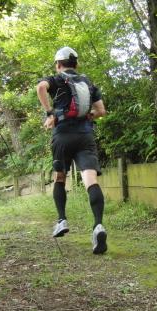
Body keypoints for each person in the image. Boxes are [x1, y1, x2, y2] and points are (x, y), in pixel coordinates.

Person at [36, 46, 108, 254]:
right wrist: (87, 117)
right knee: (91, 180)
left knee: (60, 177)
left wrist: (51, 113)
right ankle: (98, 226)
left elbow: (41, 88)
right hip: (85, 136)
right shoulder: (88, 83)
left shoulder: (57, 79)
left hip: (62, 136)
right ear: (76, 65)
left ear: (58, 64)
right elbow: (101, 111)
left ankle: (62, 220)